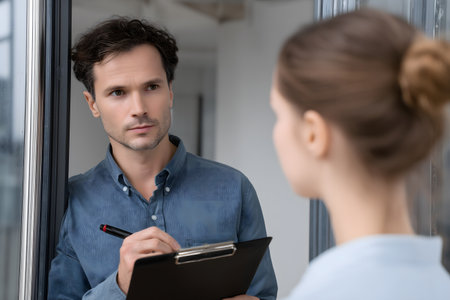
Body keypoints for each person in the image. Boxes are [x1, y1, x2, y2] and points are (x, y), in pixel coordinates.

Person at [48, 17, 277, 300]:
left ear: (170, 91)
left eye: (151, 87)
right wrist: (120, 286)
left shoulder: (234, 188)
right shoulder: (70, 201)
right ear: (93, 104)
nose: (139, 108)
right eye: (118, 92)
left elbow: (264, 295)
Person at [270, 9, 450, 300]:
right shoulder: (440, 284)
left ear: (313, 133)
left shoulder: (325, 293)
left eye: (278, 114)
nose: (276, 132)